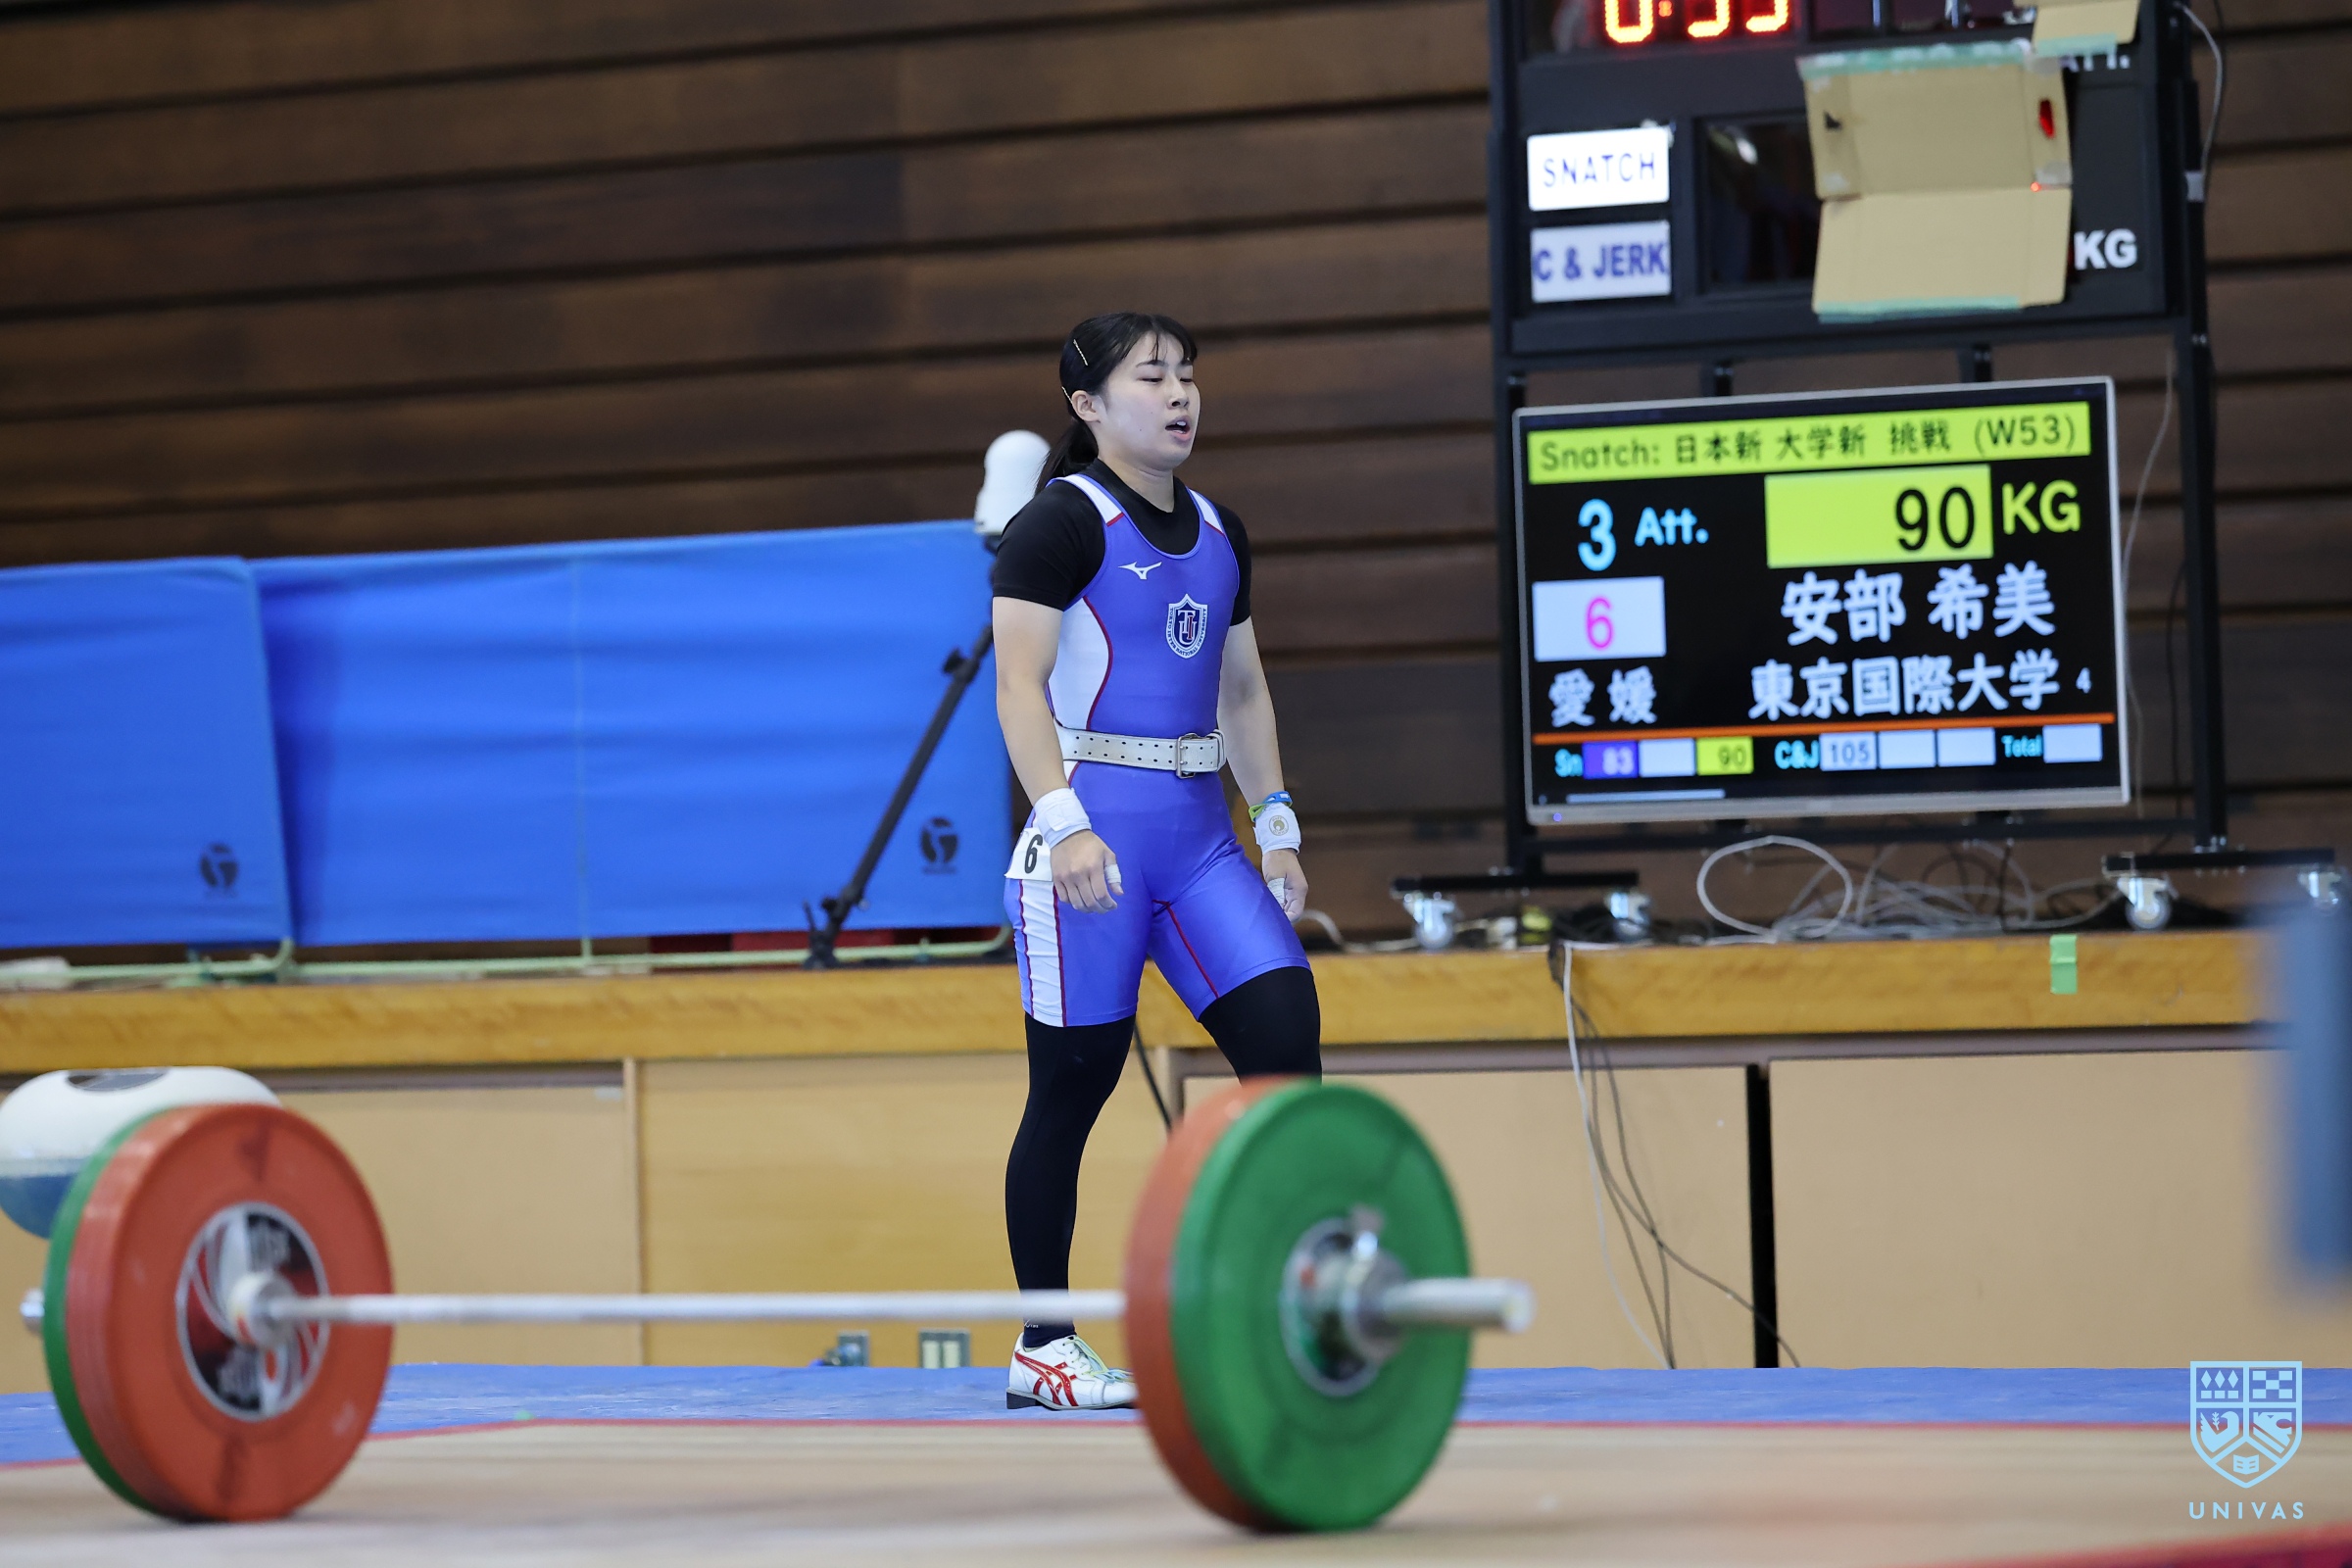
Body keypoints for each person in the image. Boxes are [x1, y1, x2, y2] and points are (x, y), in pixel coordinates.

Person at [990, 312, 1323, 1410]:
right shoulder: (1058, 524)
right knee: (1071, 1089)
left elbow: (1244, 692)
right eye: (1151, 377)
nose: (1180, 394)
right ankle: (1044, 1346)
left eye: (1188, 375)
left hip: (1199, 839)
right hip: (1090, 842)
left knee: (1285, 1044)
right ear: (1088, 406)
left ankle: (1283, 1309)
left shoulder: (1222, 529)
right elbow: (1018, 689)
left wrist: (1275, 821)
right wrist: (1062, 823)